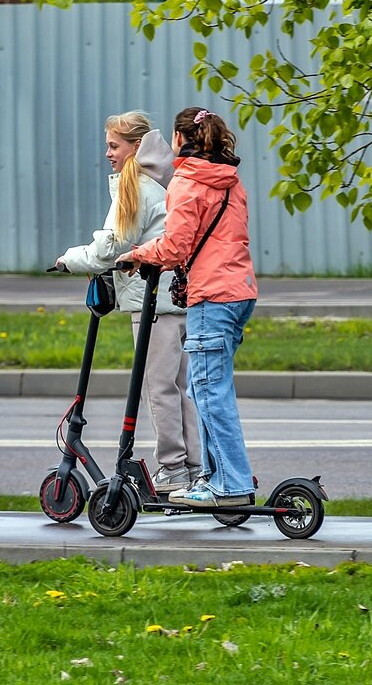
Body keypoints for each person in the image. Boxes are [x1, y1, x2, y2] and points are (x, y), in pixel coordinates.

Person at [116, 107, 258, 508]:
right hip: (240, 292)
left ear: (179, 139)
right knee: (203, 387)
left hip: (212, 295)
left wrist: (137, 255)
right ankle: (218, 478)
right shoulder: (230, 181)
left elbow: (175, 246)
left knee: (210, 393)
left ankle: (231, 485)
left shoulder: (186, 181)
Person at [56, 111, 202, 492]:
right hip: (178, 299)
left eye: (113, 145)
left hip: (154, 305)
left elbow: (111, 245)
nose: (107, 153)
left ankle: (171, 468)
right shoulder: (158, 183)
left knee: (159, 388)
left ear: (135, 147)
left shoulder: (134, 186)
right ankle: (192, 466)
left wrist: (69, 260)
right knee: (180, 388)